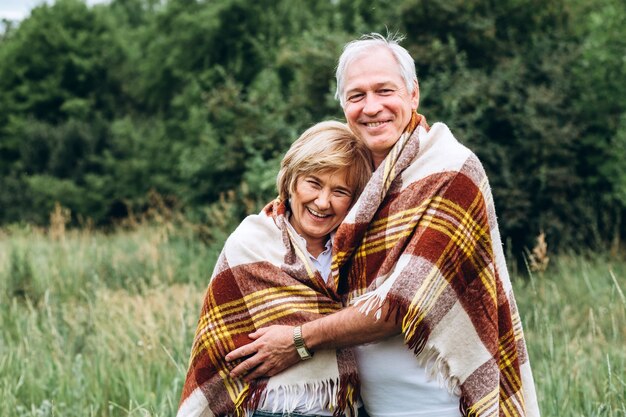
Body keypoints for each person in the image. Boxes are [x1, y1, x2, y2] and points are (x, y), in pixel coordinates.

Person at [225, 33, 541, 417]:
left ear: (413, 95)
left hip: (439, 404)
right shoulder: (358, 184)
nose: (372, 107)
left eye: (384, 91)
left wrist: (297, 340)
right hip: (366, 405)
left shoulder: (450, 170)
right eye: (357, 96)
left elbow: (401, 305)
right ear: (344, 107)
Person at [177, 121, 373, 417]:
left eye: (340, 191)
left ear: (355, 200)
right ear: (292, 180)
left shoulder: (361, 253)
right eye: (314, 183)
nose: (323, 201)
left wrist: (298, 341)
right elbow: (222, 348)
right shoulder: (251, 242)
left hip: (345, 408)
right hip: (271, 410)